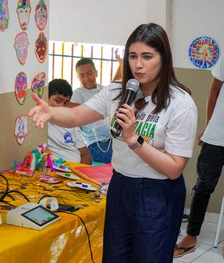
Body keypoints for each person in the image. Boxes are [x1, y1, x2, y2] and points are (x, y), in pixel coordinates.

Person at [29, 23, 197, 263]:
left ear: (164, 58)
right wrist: (51, 112)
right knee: (115, 257)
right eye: (133, 56)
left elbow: (174, 168)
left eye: (147, 57)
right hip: (120, 186)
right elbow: (77, 115)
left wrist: (134, 139)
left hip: (157, 193)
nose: (138, 65)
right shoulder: (117, 91)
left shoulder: (180, 103)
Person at [174, 54, 224, 257]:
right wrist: (209, 126)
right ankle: (191, 235)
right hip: (217, 135)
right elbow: (214, 91)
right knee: (203, 186)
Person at [70, 58, 113, 164]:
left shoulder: (103, 90)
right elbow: (74, 112)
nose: (86, 78)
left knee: (126, 152)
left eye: (89, 74)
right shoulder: (78, 94)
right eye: (82, 75)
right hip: (93, 142)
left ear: (96, 73)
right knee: (117, 158)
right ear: (78, 77)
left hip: (110, 138)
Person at [47, 79, 92, 165]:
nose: (62, 106)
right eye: (58, 101)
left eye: (66, 103)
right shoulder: (41, 123)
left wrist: (80, 172)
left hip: (76, 170)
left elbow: (86, 155)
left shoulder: (71, 123)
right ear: (46, 98)